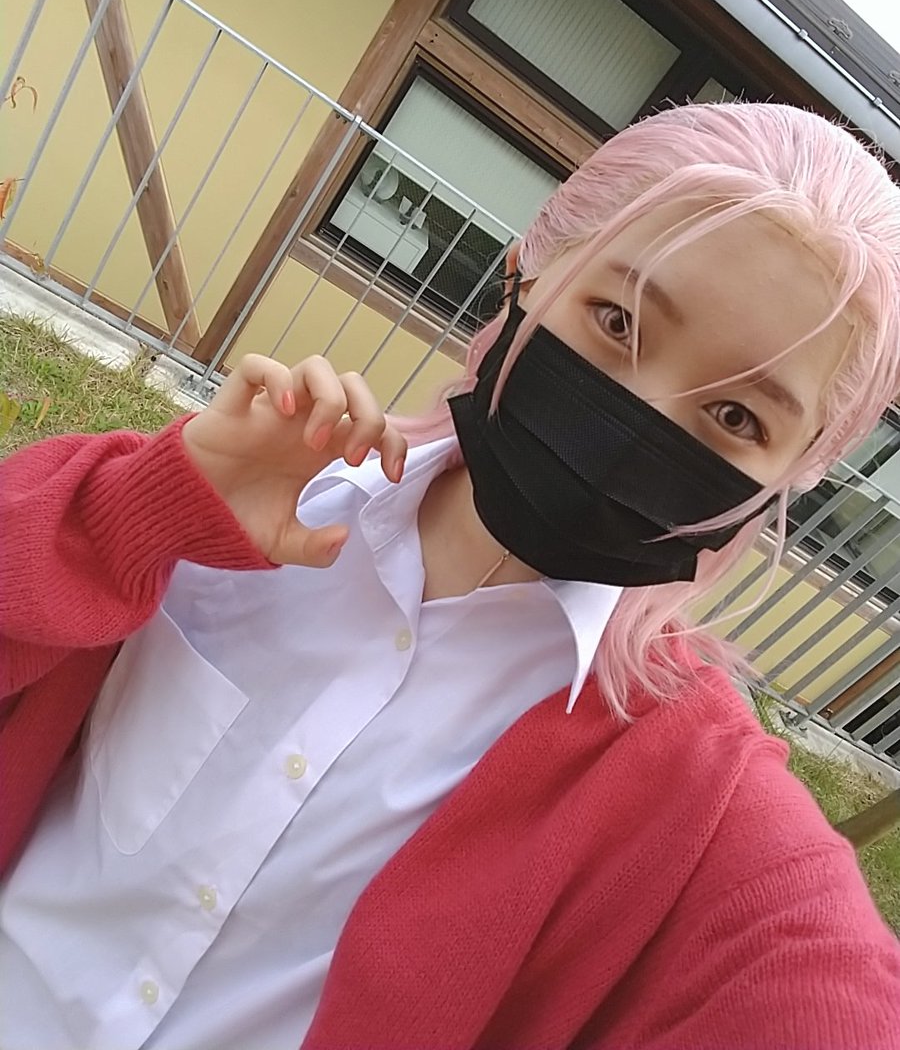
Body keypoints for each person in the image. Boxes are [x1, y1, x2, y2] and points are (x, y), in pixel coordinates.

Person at [1, 102, 899, 1050]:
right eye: (617, 321)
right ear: (525, 271)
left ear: (790, 477)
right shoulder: (231, 498)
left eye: (737, 418)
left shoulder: (698, 801)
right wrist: (127, 520)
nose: (636, 415)